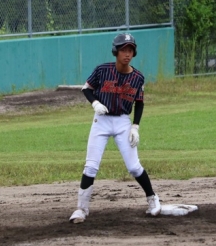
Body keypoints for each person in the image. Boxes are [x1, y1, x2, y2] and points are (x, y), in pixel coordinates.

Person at [69, 33, 162, 223]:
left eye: (130, 50)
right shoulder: (102, 70)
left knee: (134, 167)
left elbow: (139, 103)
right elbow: (86, 89)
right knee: (91, 166)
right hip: (101, 120)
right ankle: (81, 209)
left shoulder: (138, 77)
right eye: (123, 50)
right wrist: (95, 103)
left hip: (122, 121)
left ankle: (152, 199)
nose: (127, 54)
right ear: (116, 51)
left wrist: (135, 126)